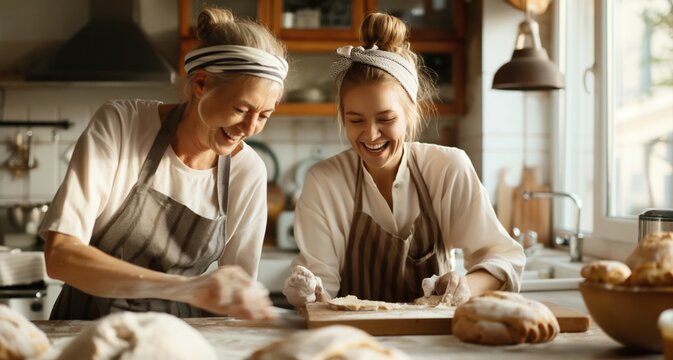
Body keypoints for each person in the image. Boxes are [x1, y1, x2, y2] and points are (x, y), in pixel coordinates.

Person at [39, 7, 288, 320]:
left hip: (178, 339)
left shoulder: (247, 172)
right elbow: (61, 256)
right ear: (201, 84)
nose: (250, 129)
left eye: (263, 116)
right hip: (87, 329)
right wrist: (185, 288)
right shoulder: (121, 125)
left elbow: (238, 293)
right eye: (241, 109)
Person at [282, 12, 525, 308]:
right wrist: (310, 293)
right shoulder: (325, 181)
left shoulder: (447, 169)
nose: (371, 134)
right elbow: (321, 287)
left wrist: (465, 286)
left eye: (386, 118)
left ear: (411, 114)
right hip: (355, 342)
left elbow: (504, 257)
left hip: (435, 344)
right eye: (355, 120)